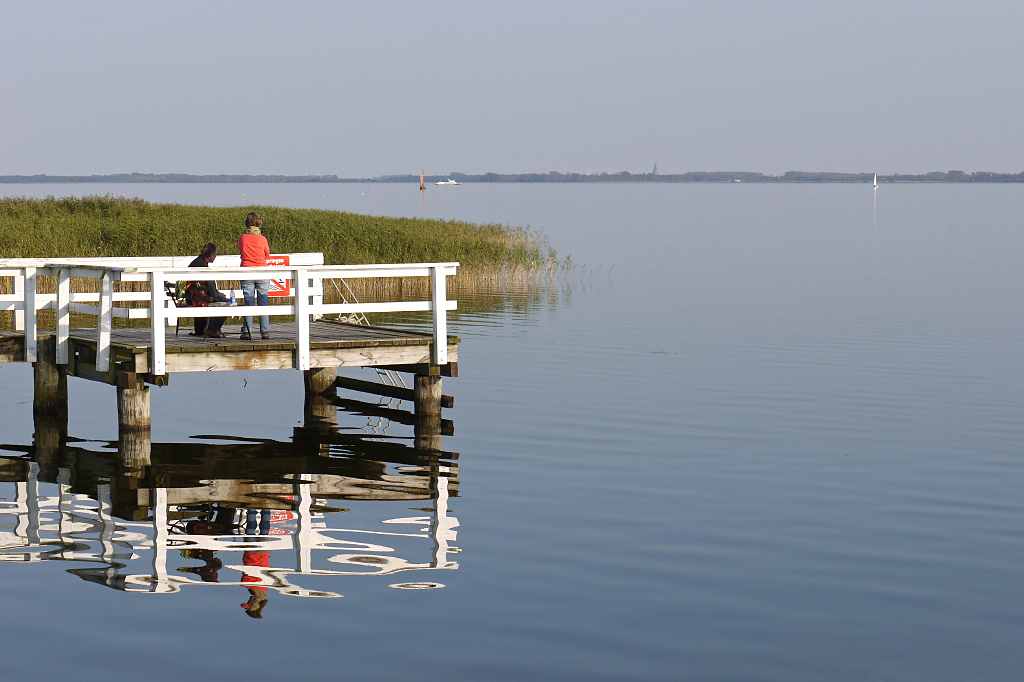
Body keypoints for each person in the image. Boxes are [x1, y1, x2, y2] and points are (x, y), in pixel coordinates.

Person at [239, 212, 271, 340]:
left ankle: (247, 331)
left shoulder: (242, 238)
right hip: (262, 270)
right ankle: (265, 330)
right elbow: (267, 255)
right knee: (263, 300)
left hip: (247, 270)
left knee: (249, 301)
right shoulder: (263, 239)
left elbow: (241, 252)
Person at [187, 242, 230, 338]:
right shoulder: (203, 267)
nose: (215, 256)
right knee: (228, 303)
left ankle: (204, 329)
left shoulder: (196, 262)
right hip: (201, 298)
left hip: (194, 297)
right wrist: (219, 295)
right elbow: (212, 292)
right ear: (211, 255)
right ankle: (212, 328)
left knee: (222, 299)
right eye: (215, 254)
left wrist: (217, 293)